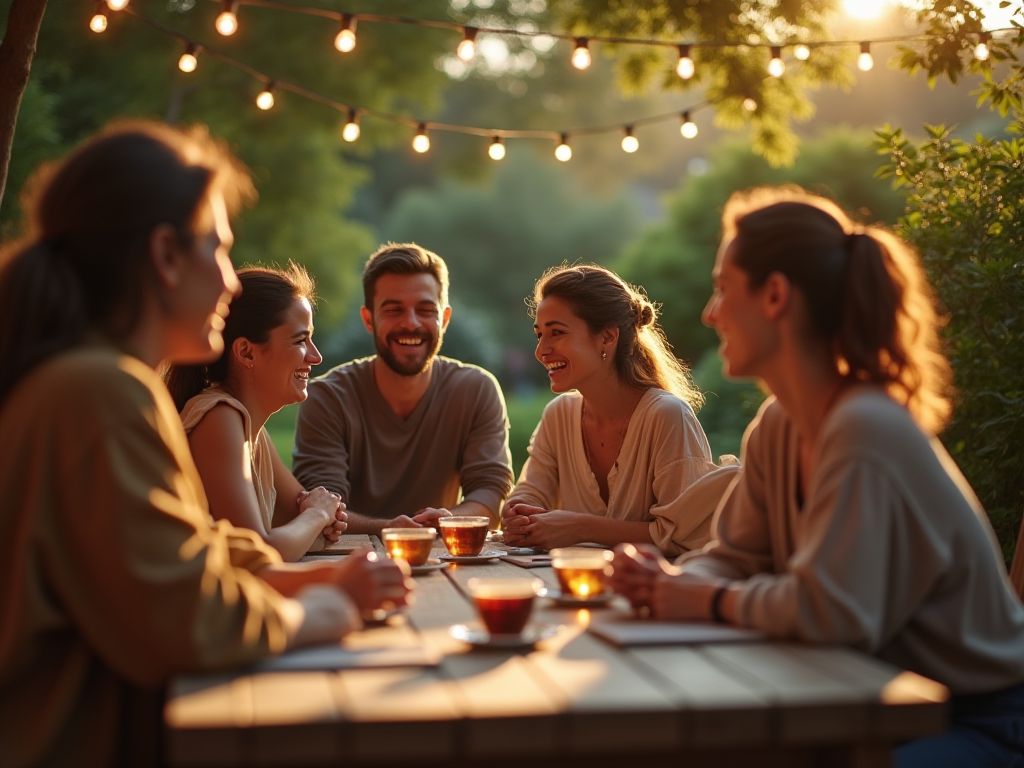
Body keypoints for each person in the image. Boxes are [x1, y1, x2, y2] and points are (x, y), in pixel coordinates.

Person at [0, 121, 410, 767]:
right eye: (218, 250)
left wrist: (314, 577)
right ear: (165, 256)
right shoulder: (95, 392)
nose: (229, 282)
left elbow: (182, 550)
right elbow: (188, 620)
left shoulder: (94, 382)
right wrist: (326, 609)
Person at [611, 187, 1024, 767]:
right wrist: (663, 584)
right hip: (861, 698)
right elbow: (735, 556)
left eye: (724, 289)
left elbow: (834, 615)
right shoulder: (778, 423)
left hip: (974, 718)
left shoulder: (865, 427)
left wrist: (706, 598)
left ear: (776, 296)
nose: (709, 312)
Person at [502, 264, 730, 555]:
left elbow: (683, 536)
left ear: (607, 337)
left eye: (556, 333)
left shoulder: (667, 416)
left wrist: (581, 528)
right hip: (571, 591)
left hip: (650, 594)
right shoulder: (558, 415)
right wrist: (517, 513)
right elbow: (531, 491)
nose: (541, 350)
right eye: (539, 335)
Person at [292, 243, 515, 535]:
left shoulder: (476, 390)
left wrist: (446, 521)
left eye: (425, 310)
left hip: (442, 561)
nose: (410, 323)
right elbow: (321, 510)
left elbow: (490, 496)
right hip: (348, 563)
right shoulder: (328, 398)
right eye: (394, 310)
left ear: (444, 319)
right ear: (369, 319)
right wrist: (394, 530)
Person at [165, 265, 347, 561]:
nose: (316, 356)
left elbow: (302, 520)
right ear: (247, 352)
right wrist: (317, 515)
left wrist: (319, 517)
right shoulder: (218, 418)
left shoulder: (252, 431)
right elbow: (260, 551)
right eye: (300, 340)